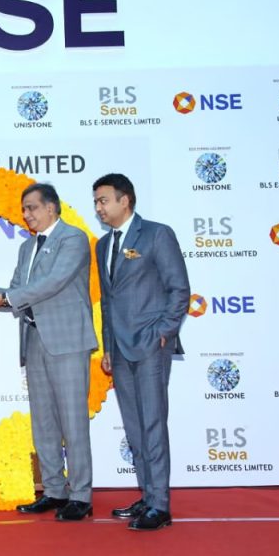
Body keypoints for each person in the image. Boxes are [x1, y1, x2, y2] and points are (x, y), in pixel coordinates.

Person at [0, 183, 96, 522]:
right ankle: (54, 490)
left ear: (51, 208)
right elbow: (18, 291)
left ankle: (81, 495)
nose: (26, 215)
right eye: (24, 209)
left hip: (67, 340)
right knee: (43, 421)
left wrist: (3, 298)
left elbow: (52, 283)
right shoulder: (27, 247)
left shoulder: (73, 238)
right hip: (34, 338)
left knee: (72, 420)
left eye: (32, 208)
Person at [93, 173, 190, 531]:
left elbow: (179, 290)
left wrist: (162, 333)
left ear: (125, 200)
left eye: (104, 200)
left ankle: (160, 505)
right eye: (96, 202)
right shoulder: (104, 245)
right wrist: (107, 346)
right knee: (134, 428)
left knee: (152, 424)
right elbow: (108, 303)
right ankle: (148, 495)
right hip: (119, 350)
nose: (99, 208)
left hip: (150, 346)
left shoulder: (156, 234)